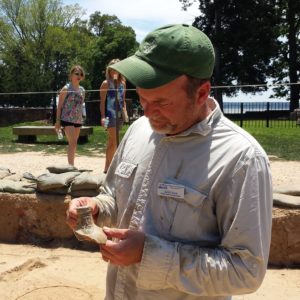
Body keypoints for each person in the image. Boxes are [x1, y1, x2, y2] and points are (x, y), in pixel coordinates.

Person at [66, 24, 273, 299]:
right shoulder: (140, 129)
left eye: (161, 102)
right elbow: (113, 196)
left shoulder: (241, 159)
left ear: (201, 93)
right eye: (142, 99)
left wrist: (149, 255)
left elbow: (245, 270)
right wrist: (96, 208)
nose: (148, 113)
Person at [99, 58, 128, 173]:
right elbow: (102, 102)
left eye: (117, 68)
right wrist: (102, 117)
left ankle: (107, 168)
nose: (115, 71)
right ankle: (114, 167)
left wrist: (125, 113)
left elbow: (123, 100)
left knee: (111, 142)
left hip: (119, 115)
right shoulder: (106, 83)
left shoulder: (123, 83)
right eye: (112, 69)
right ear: (109, 70)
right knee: (115, 141)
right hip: (109, 116)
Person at [55, 65, 85, 166]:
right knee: (72, 142)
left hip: (77, 120)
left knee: (74, 143)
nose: (79, 76)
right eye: (77, 73)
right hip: (67, 119)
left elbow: (81, 105)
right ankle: (71, 166)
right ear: (71, 75)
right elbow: (59, 106)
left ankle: (71, 165)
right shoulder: (66, 88)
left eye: (81, 74)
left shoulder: (82, 90)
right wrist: (58, 121)